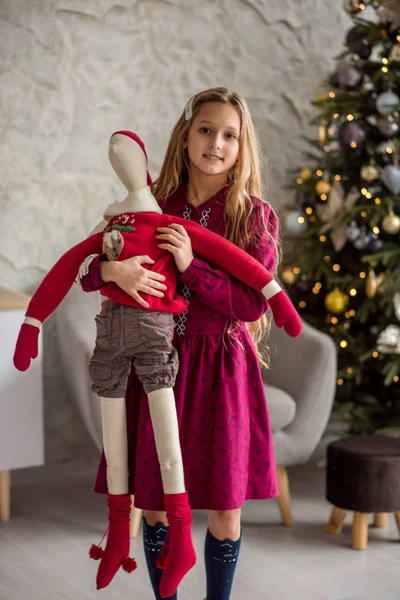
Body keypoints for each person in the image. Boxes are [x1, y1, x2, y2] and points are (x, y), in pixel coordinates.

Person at [81, 87, 280, 600]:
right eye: (206, 130)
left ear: (242, 147)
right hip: (154, 368)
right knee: (152, 503)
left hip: (221, 372)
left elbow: (253, 304)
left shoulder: (255, 217)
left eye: (229, 135)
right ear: (186, 137)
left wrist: (193, 268)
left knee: (224, 511)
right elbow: (82, 268)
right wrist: (112, 269)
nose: (216, 143)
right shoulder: (150, 205)